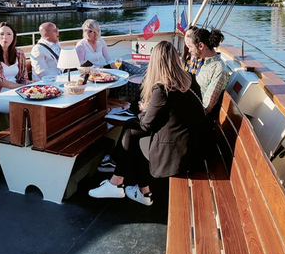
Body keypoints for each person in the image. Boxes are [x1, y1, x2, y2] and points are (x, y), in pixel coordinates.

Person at [89, 41, 207, 206]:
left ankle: (127, 186)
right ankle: (126, 185)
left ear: (155, 61)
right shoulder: (189, 79)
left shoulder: (163, 88)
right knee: (132, 130)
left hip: (179, 153)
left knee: (132, 134)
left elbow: (146, 125)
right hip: (196, 145)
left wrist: (145, 108)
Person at [0, 22, 28, 114]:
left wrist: (28, 88)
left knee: (36, 101)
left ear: (14, 36)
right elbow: (2, 83)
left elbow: (23, 76)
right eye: (2, 34)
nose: (5, 37)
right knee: (22, 107)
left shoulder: (19, 53)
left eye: (9, 34)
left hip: (18, 91)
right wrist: (24, 87)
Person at [186, 28, 231, 117]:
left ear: (201, 46)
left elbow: (206, 107)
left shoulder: (219, 70)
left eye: (191, 47)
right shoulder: (206, 64)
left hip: (197, 119)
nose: (189, 51)